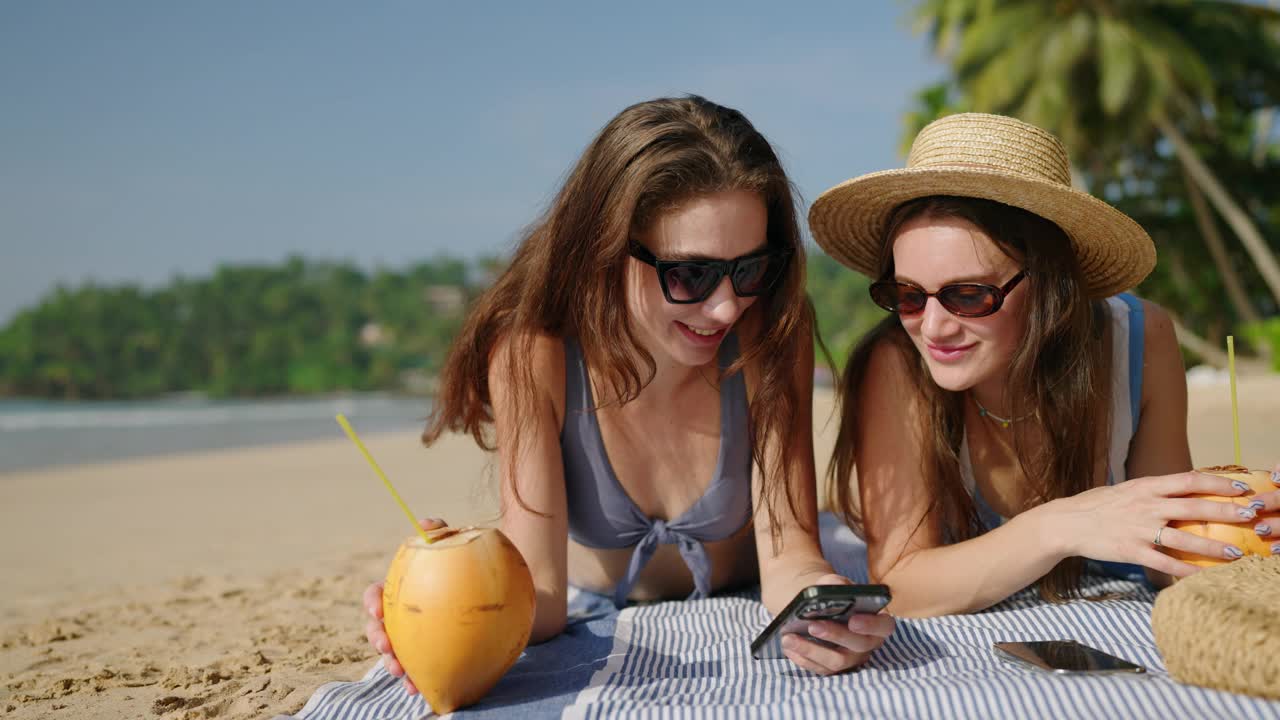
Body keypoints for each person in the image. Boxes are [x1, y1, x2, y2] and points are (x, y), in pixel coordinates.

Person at [362, 95, 895, 688]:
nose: (726, 306)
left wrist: (825, 609)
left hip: (742, 586)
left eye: (750, 269)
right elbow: (540, 596)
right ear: (605, 250)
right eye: (689, 275)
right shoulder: (534, 355)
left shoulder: (768, 333)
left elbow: (789, 552)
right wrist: (443, 606)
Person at [809, 112, 1280, 617]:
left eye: (968, 295)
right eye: (906, 296)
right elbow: (902, 583)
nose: (932, 327)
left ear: (1051, 285)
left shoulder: (1139, 340)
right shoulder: (898, 363)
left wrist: (1238, 534)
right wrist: (1065, 524)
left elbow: (1164, 556)